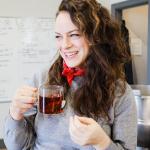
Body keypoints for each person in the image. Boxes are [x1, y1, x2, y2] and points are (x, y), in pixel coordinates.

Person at [4, 0, 137, 149]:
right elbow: (19, 146)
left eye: (74, 35)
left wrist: (102, 142)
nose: (65, 45)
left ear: (95, 37)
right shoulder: (42, 78)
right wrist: (15, 114)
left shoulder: (120, 92)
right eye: (58, 36)